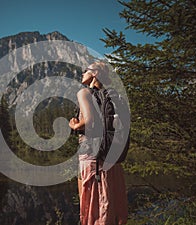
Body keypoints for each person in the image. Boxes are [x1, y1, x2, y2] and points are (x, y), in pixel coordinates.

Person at [69, 61, 128, 225]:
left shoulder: (84, 93)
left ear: (94, 73)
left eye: (85, 70)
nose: (82, 74)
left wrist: (74, 125)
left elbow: (89, 121)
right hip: (109, 155)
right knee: (109, 203)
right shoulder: (110, 95)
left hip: (92, 156)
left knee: (91, 205)